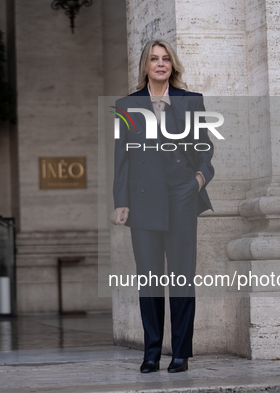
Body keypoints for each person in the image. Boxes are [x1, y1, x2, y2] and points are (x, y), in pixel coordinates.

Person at [112, 39, 214, 373]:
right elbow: (121, 158)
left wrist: (197, 181)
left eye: (166, 59)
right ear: (145, 65)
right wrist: (121, 201)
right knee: (150, 280)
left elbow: (205, 149)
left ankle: (181, 353)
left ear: (172, 65)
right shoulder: (125, 105)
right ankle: (152, 353)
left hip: (181, 199)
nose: (160, 64)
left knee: (183, 278)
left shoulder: (190, 102)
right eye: (154, 59)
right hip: (142, 203)